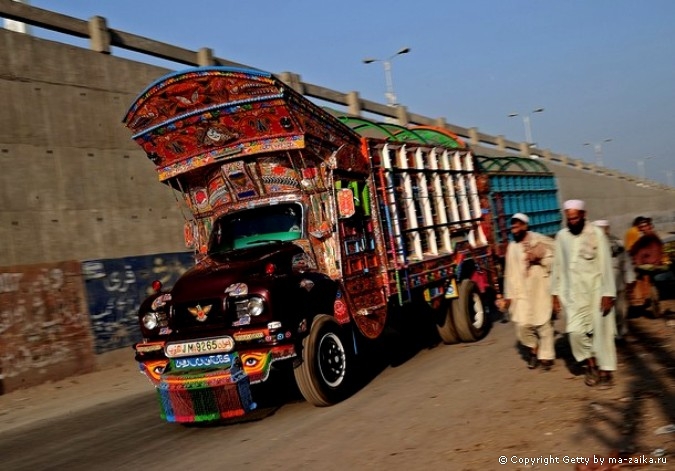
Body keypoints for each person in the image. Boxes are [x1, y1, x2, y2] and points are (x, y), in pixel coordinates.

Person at [552, 200, 617, 388]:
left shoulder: (596, 234)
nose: (572, 222)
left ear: (583, 215)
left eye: (575, 218)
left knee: (602, 335)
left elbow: (605, 264)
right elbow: (557, 266)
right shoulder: (561, 237)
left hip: (597, 290)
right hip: (574, 295)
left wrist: (608, 293)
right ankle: (591, 364)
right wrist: (554, 294)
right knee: (575, 333)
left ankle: (606, 373)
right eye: (568, 218)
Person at [503, 213, 555, 370]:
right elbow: (509, 273)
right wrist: (508, 297)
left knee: (544, 325)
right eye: (512, 226)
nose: (514, 228)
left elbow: (553, 260)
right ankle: (534, 347)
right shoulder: (512, 248)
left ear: (525, 226)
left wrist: (539, 257)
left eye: (517, 225)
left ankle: (544, 356)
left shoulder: (537, 240)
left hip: (540, 289)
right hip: (521, 293)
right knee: (522, 327)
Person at [593, 220, 634, 337]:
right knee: (602, 311)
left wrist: (630, 278)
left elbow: (626, 261)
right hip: (599, 283)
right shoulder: (591, 245)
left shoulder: (618, 243)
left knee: (620, 310)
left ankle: (621, 332)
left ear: (608, 229)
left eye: (604, 229)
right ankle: (607, 335)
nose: (602, 232)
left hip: (617, 280)